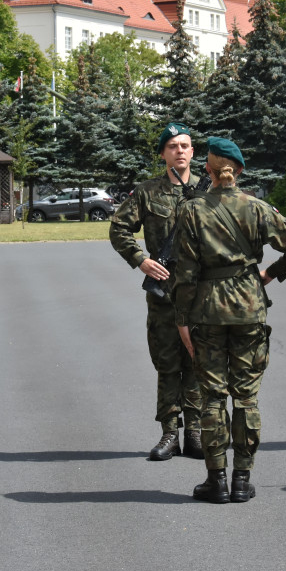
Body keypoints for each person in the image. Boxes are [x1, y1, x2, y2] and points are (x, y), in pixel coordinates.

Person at [172, 138, 286, 504]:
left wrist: (182, 317)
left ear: (208, 170)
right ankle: (241, 480)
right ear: (240, 170)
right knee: (246, 398)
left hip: (207, 309)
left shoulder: (191, 210)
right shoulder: (257, 208)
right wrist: (269, 273)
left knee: (213, 397)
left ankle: (215, 479)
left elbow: (185, 273)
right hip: (250, 307)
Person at [109, 122, 204, 461]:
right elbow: (119, 228)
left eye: (185, 145)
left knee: (197, 359)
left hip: (200, 292)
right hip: (164, 291)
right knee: (167, 362)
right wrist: (141, 260)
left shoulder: (208, 191)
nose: (180, 151)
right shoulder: (148, 192)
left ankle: (195, 431)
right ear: (164, 153)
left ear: (193, 152)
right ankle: (169, 433)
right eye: (173, 146)